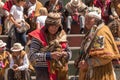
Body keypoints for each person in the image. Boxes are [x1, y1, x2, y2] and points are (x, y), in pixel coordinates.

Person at [77, 7, 120, 80]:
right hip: (91, 73)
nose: (86, 21)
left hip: (100, 74)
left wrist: (88, 63)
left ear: (97, 20)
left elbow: (105, 56)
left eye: (90, 19)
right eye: (86, 18)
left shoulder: (101, 32)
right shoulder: (93, 31)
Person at [28, 12, 72, 80]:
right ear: (47, 25)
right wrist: (50, 55)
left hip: (60, 72)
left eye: (56, 26)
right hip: (43, 72)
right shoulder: (38, 36)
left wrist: (66, 54)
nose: (54, 28)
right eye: (51, 26)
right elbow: (32, 56)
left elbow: (69, 52)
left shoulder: (62, 35)